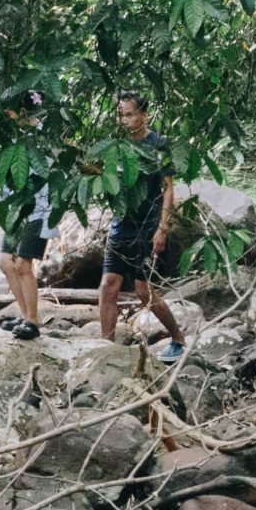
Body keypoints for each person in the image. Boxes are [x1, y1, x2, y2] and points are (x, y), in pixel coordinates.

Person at [100, 90, 187, 362]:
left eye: (129, 114)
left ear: (143, 115)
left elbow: (168, 188)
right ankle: (107, 348)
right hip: (121, 223)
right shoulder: (119, 146)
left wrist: (162, 227)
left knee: (142, 289)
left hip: (148, 224)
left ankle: (178, 338)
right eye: (120, 115)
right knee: (108, 286)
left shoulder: (158, 144)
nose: (124, 120)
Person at [0, 91, 58, 342]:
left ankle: (32, 320)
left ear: (23, 111)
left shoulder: (42, 138)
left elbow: (46, 174)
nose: (7, 115)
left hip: (39, 207)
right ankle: (24, 315)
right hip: (16, 208)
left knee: (23, 264)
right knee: (5, 262)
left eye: (11, 111)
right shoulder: (14, 138)